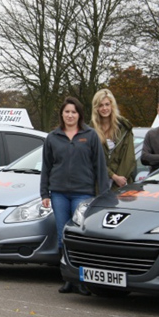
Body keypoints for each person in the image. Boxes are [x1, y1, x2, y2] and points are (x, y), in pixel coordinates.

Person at [40, 97, 108, 295]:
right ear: (62, 114)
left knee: (78, 236)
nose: (70, 115)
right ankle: (67, 278)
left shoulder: (91, 135)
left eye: (74, 112)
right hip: (59, 193)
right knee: (63, 236)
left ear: (80, 115)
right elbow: (46, 167)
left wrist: (103, 195)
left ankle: (82, 280)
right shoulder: (52, 137)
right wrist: (44, 192)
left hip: (83, 193)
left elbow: (100, 167)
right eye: (67, 112)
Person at [90, 89, 136, 190]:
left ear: (112, 106)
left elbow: (129, 158)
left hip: (121, 184)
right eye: (100, 105)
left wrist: (119, 180)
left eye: (107, 104)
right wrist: (113, 176)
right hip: (98, 183)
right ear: (96, 108)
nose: (104, 108)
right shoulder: (91, 131)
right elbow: (93, 159)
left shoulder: (124, 128)